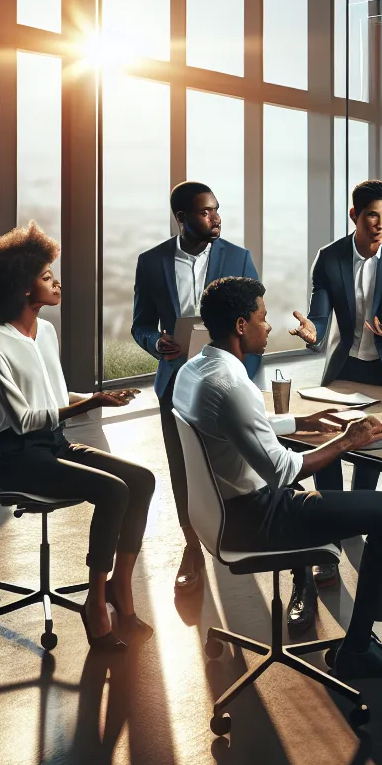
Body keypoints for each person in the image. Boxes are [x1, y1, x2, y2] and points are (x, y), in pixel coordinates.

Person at [174, 276, 382, 677]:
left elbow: (234, 425)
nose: (268, 326)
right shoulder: (234, 383)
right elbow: (284, 469)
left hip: (215, 514)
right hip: (254, 519)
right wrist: (347, 439)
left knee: (314, 489)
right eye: (262, 317)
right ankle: (358, 648)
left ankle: (321, 600)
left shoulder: (194, 371)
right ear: (241, 326)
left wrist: (300, 420)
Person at [0, 222, 157, 653]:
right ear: (21, 287)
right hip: (14, 456)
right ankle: (96, 604)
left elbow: (54, 398)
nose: (56, 282)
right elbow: (22, 420)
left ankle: (118, 590)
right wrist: (91, 404)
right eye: (45, 276)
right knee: (112, 492)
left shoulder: (46, 333)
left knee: (141, 480)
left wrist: (94, 397)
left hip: (53, 444)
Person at [287, 179, 382, 621]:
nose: (380, 224)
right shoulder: (330, 257)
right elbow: (318, 318)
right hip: (345, 369)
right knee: (329, 449)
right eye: (372, 215)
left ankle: (353, 516)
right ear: (354, 215)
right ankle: (329, 545)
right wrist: (313, 333)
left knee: (369, 450)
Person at [132, 181, 260, 597]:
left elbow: (256, 323)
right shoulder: (151, 263)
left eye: (217, 210)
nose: (216, 218)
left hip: (225, 381)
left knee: (242, 465)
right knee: (183, 469)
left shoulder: (238, 258)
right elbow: (141, 324)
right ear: (182, 218)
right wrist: (155, 342)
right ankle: (192, 547)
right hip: (175, 381)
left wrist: (241, 375)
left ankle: (249, 540)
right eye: (206, 212)